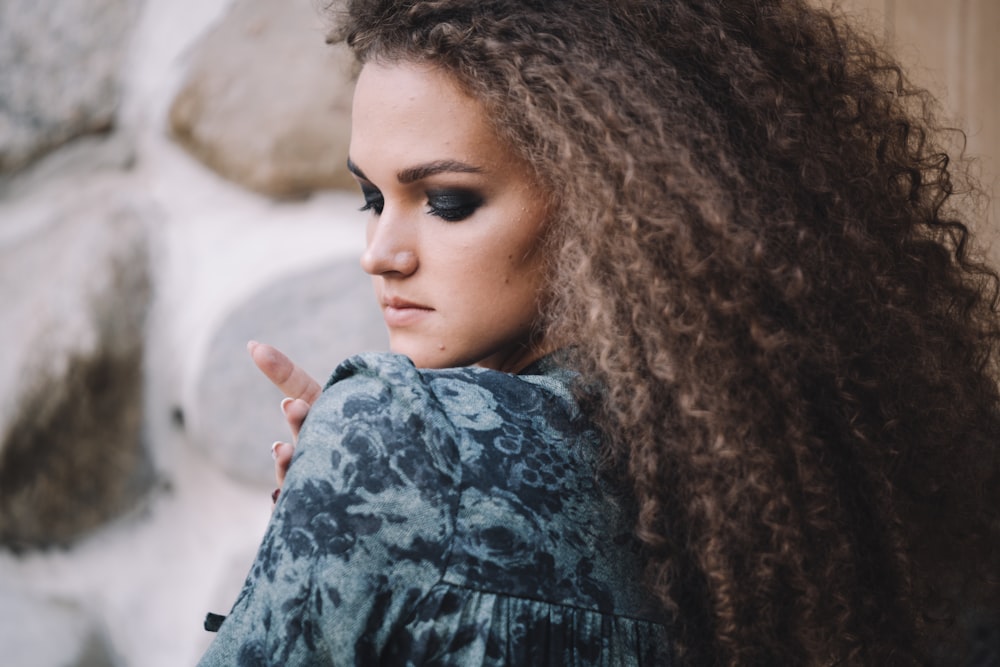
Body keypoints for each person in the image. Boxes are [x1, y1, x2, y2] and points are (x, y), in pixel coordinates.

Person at [198, 0, 1000, 665]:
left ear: (610, 201)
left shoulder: (391, 441)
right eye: (372, 198)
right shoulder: (856, 491)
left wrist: (350, 500)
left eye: (446, 201)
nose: (381, 254)